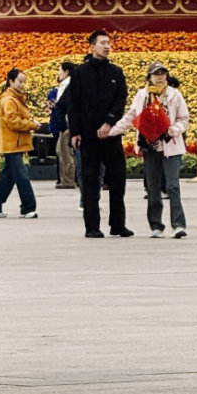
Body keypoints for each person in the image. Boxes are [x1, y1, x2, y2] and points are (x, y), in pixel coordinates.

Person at [68, 30, 130, 238]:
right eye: (102, 43)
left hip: (111, 134)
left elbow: (120, 100)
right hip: (88, 136)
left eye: (108, 43)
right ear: (91, 47)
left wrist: (109, 122)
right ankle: (92, 226)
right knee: (90, 180)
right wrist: (75, 131)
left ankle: (118, 224)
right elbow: (73, 104)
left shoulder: (116, 72)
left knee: (118, 179)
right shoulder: (80, 73)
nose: (106, 46)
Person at [116, 64, 190, 237]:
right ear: (149, 77)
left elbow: (184, 118)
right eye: (156, 74)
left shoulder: (174, 94)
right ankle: (156, 225)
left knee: (172, 186)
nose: (160, 77)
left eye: (163, 74)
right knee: (153, 186)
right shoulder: (142, 95)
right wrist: (112, 130)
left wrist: (175, 129)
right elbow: (131, 116)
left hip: (170, 145)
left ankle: (178, 224)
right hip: (150, 146)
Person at [0, 70, 40, 219]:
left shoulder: (17, 98)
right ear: (11, 81)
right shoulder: (9, 99)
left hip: (16, 143)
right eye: (19, 81)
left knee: (8, 177)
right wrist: (31, 124)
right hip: (12, 143)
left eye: (23, 81)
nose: (22, 85)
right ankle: (28, 207)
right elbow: (13, 121)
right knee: (22, 176)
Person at [48, 62, 78, 190]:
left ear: (66, 72)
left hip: (67, 124)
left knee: (66, 153)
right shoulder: (69, 83)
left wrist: (64, 126)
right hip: (66, 123)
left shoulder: (67, 84)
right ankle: (66, 179)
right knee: (61, 151)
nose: (58, 73)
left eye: (59, 70)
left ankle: (68, 180)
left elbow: (63, 106)